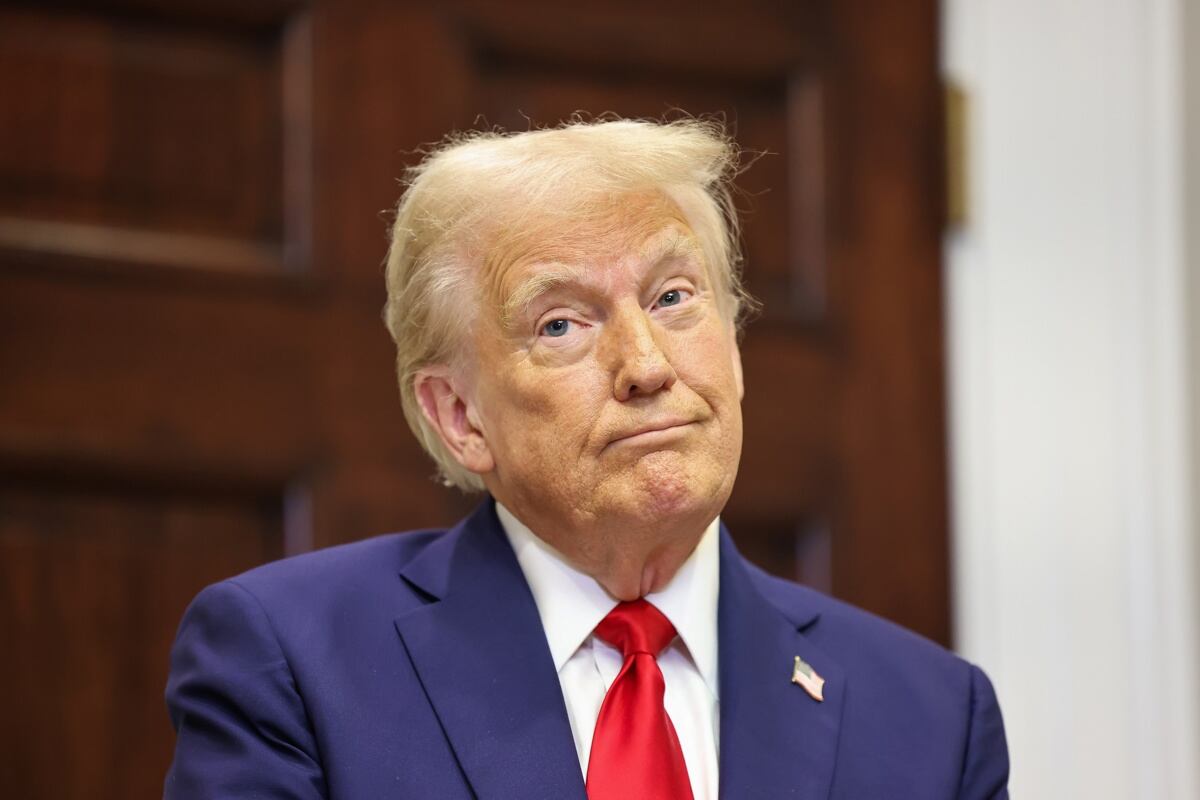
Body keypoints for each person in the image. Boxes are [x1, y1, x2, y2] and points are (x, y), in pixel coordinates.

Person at [164, 118, 1009, 799]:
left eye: (675, 298)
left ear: (737, 352)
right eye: (562, 323)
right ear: (458, 415)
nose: (647, 365)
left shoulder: (932, 717)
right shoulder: (295, 666)